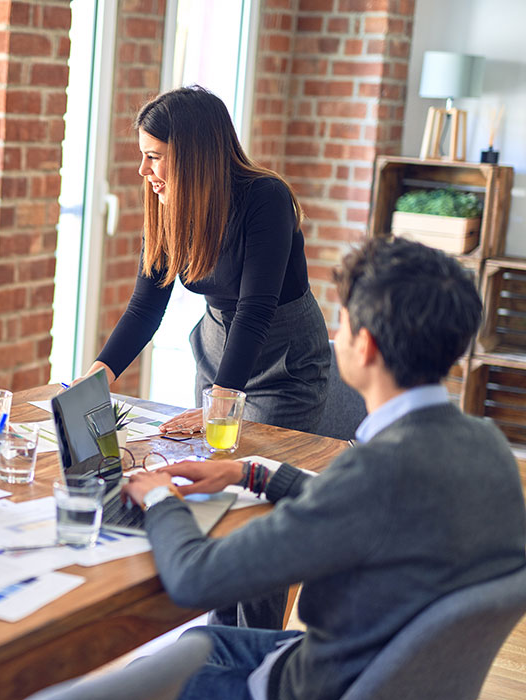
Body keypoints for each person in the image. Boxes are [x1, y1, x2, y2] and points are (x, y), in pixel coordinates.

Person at [122, 237, 526, 700]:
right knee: (201, 641)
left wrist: (157, 496)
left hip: (311, 685)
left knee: (138, 680)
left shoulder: (374, 473)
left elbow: (195, 578)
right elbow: (373, 509)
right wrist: (253, 474)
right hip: (378, 668)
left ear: (365, 346)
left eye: (345, 321)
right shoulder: (489, 446)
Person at [80, 85, 329, 436]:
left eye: (154, 156)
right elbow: (145, 308)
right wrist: (93, 380)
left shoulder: (266, 198)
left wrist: (223, 401)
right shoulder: (167, 205)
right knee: (208, 463)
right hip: (218, 357)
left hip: (283, 366)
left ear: (192, 156)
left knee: (252, 470)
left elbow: (255, 308)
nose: (142, 170)